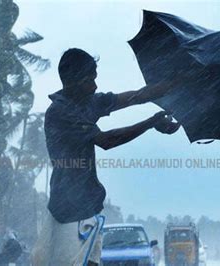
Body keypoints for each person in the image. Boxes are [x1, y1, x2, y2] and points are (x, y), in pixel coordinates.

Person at [31, 48, 180, 265]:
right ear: (72, 82)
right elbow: (107, 141)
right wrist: (151, 123)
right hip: (69, 211)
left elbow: (135, 96)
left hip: (87, 207)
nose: (94, 86)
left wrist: (176, 84)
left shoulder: (86, 101)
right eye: (88, 80)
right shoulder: (61, 113)